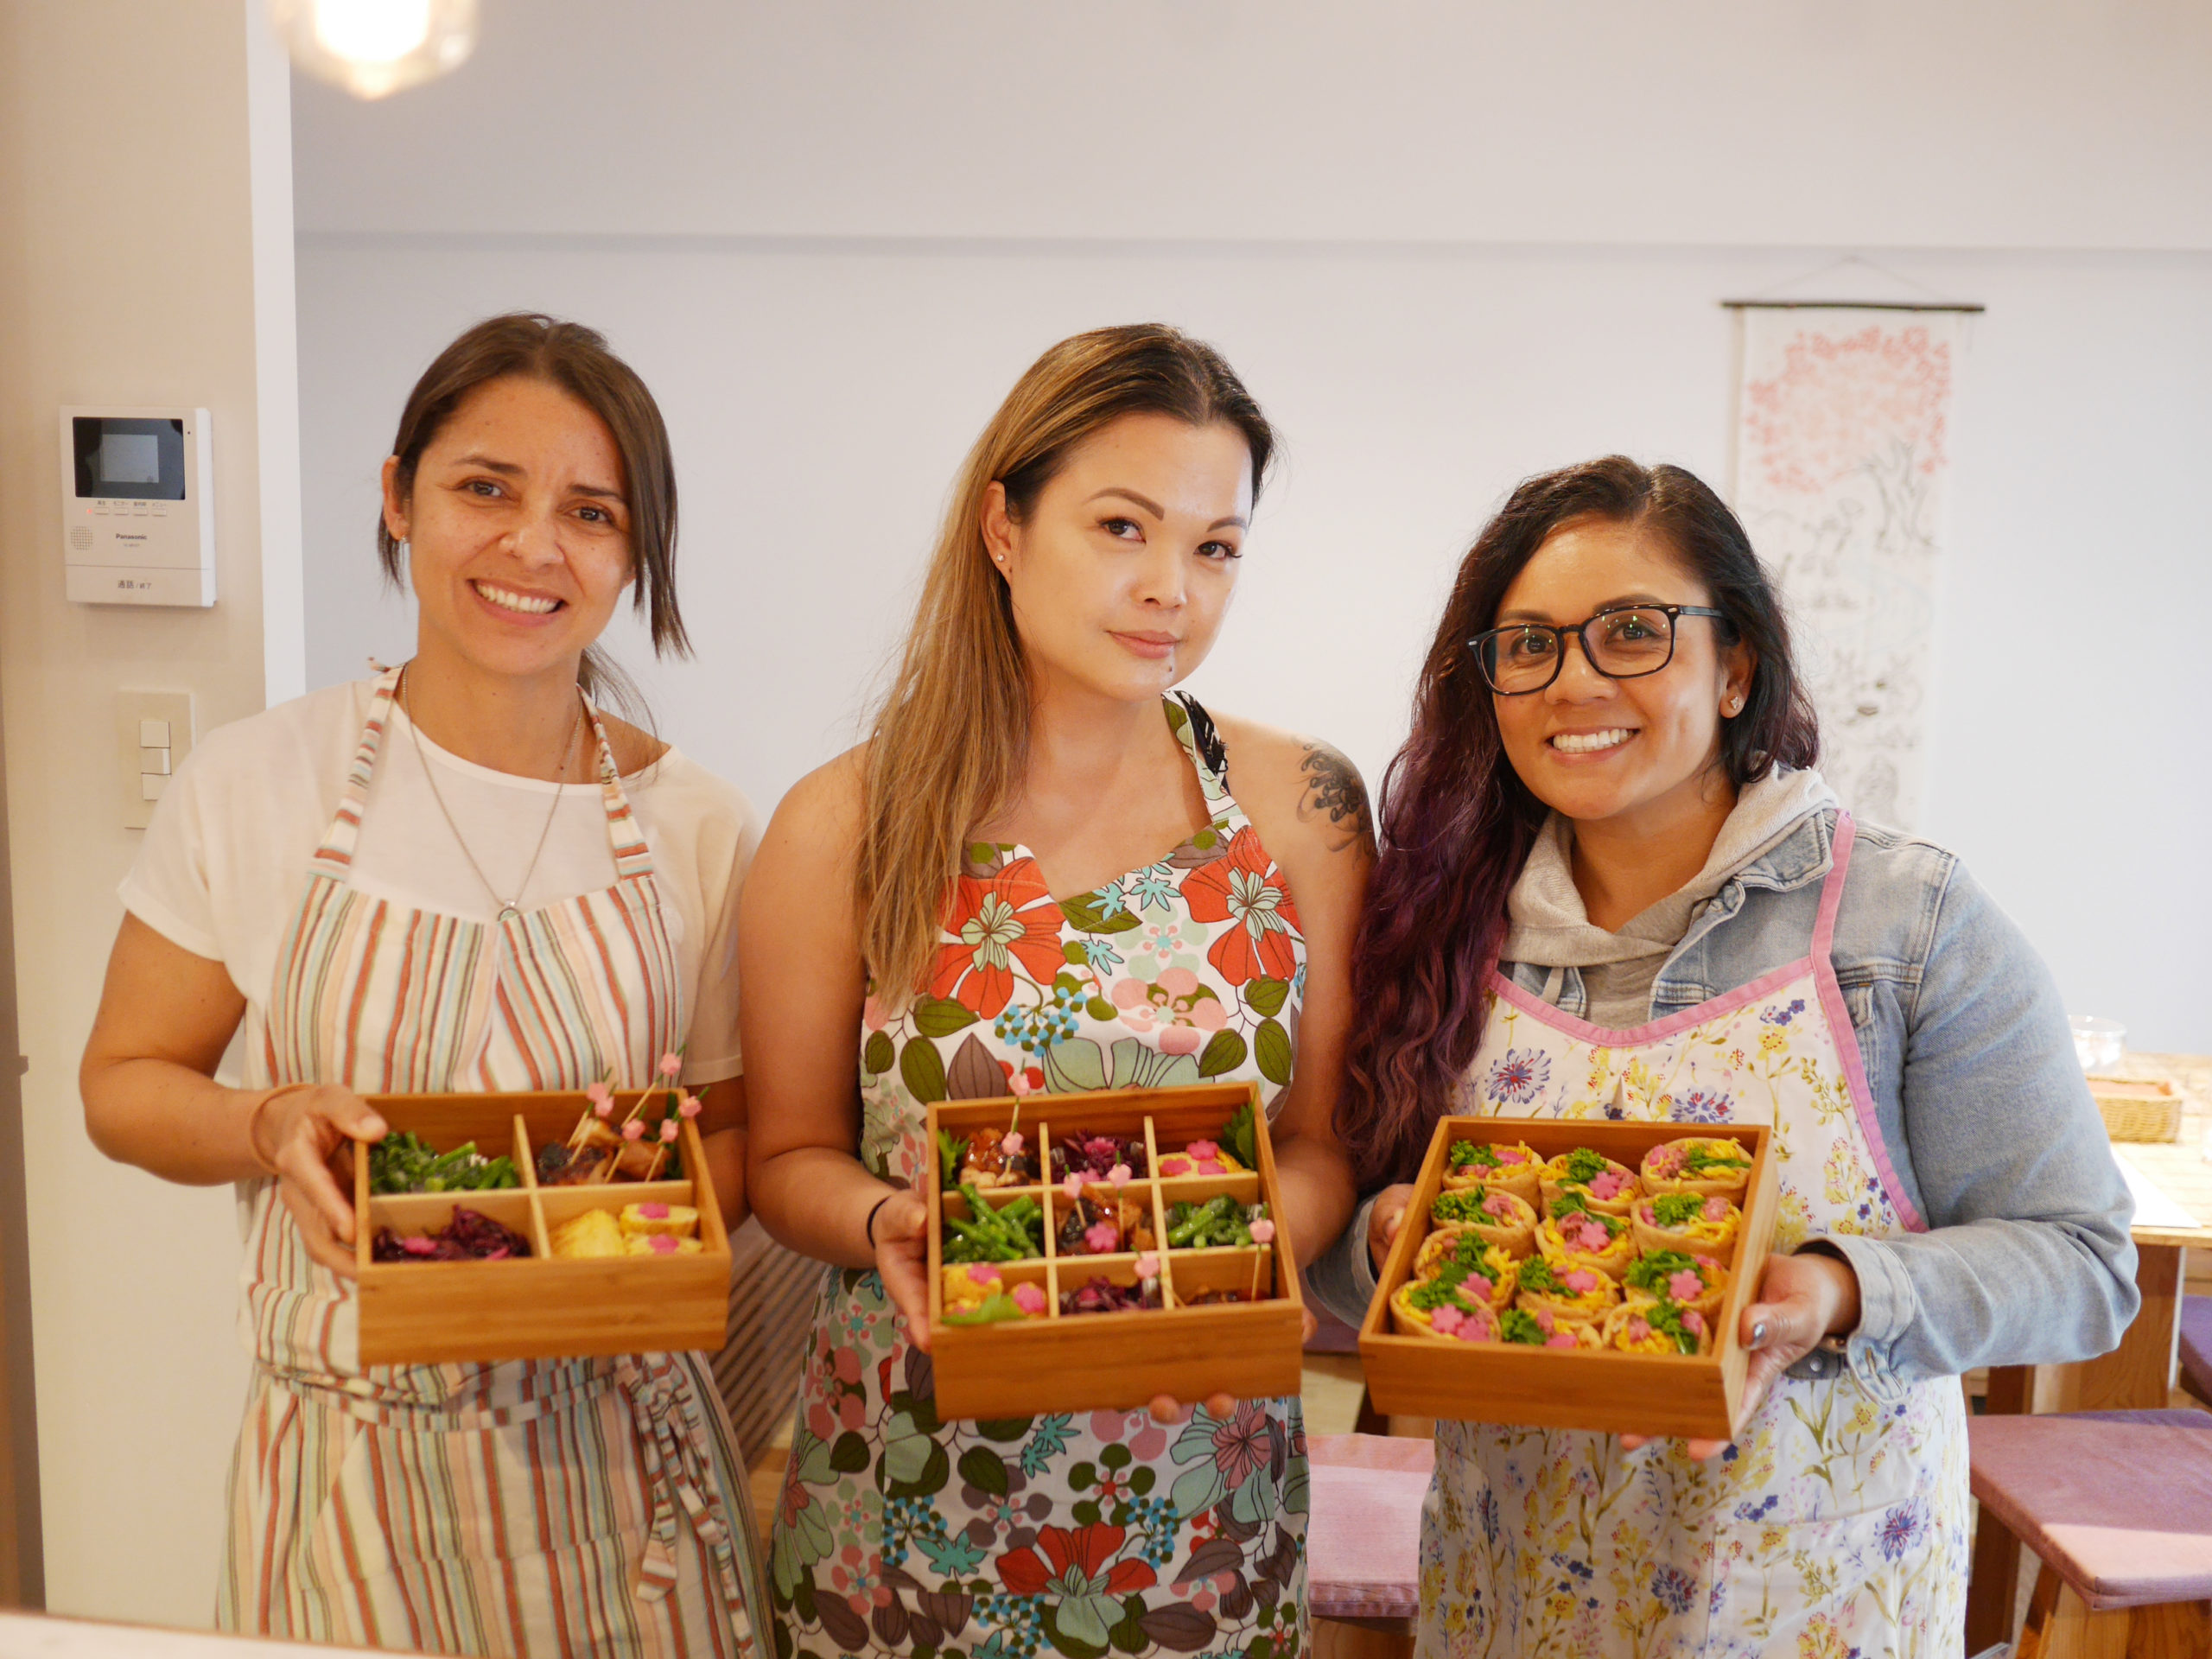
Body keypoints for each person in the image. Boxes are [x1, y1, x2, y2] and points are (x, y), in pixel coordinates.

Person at [1313, 456, 2138, 1656]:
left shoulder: (1906, 922)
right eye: (1529, 644)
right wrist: (1396, 1241)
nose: (1576, 679)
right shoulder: (1439, 921)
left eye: (1634, 633)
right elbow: (1340, 1245)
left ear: (1737, 665)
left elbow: (2082, 1262)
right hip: (1516, 1590)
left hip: (1818, 1591)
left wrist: (1839, 1290)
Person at [80, 314, 766, 1656]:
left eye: (590, 511)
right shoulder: (256, 778)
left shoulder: (694, 822)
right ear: (400, 498)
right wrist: (266, 1124)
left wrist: (586, 1249)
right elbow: (122, 1085)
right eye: (484, 489)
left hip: (623, 1472)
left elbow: (734, 1136)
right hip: (345, 1480)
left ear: (634, 556)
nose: (532, 546)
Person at [742, 324, 1367, 1659]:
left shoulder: (1300, 808)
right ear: (1005, 527)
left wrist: (1219, 1253)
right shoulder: (844, 821)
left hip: (1201, 1509)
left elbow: (1324, 1143)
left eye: (1215, 547)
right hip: (904, 1501)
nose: (1172, 590)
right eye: (1122, 527)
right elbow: (788, 1155)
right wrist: (884, 1221)